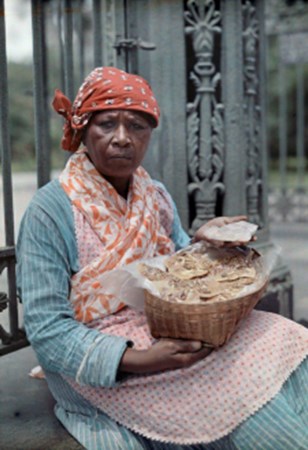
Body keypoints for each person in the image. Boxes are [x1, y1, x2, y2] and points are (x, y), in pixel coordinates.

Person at [17, 66, 308, 450]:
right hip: (100, 359)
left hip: (161, 330)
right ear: (84, 130)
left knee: (287, 339)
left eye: (137, 126)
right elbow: (46, 329)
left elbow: (175, 275)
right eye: (107, 124)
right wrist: (144, 360)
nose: (123, 138)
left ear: (150, 134)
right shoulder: (49, 210)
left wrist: (206, 244)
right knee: (248, 407)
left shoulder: (154, 195)